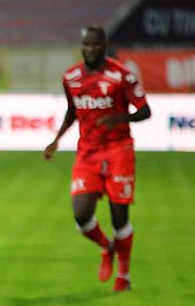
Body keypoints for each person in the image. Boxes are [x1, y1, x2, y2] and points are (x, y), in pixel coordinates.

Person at [44, 26, 151, 292]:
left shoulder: (121, 76)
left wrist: (120, 117)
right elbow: (73, 110)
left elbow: (145, 111)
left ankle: (123, 276)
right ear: (82, 46)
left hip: (118, 151)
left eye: (95, 44)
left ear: (104, 45)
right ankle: (107, 247)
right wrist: (56, 140)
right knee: (81, 214)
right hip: (88, 153)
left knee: (119, 217)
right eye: (86, 44)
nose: (90, 49)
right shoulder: (71, 77)